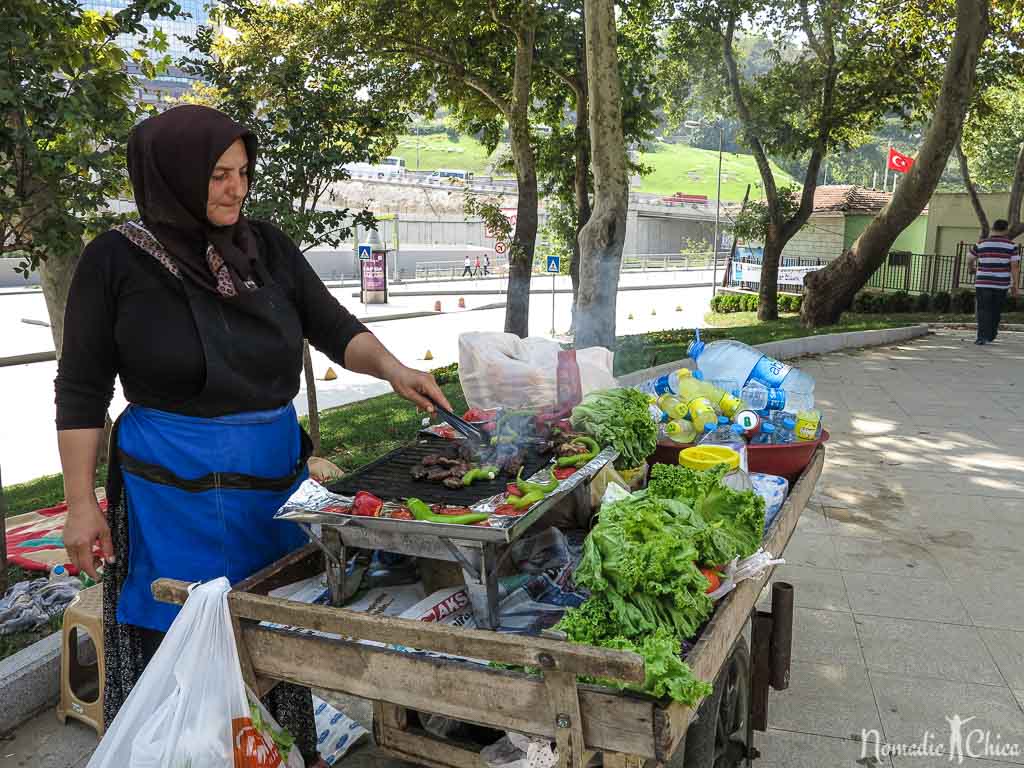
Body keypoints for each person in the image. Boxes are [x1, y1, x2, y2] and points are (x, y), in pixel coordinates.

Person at [54, 105, 451, 767]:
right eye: (218, 175)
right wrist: (78, 502)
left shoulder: (264, 246)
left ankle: (280, 754)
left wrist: (392, 369)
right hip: (169, 492)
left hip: (271, 487)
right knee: (177, 638)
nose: (236, 188)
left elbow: (331, 323)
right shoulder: (114, 261)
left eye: (242, 172)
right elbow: (82, 389)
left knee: (275, 638)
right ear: (174, 176)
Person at [969, 219, 1020, 345]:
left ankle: (981, 337)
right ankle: (991, 334)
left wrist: (971, 268)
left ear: (993, 229)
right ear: (1006, 230)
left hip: (983, 282)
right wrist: (1015, 285)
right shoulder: (1012, 246)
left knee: (983, 309)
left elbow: (969, 258)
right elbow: (1015, 267)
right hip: (1001, 284)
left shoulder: (981, 244)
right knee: (996, 310)